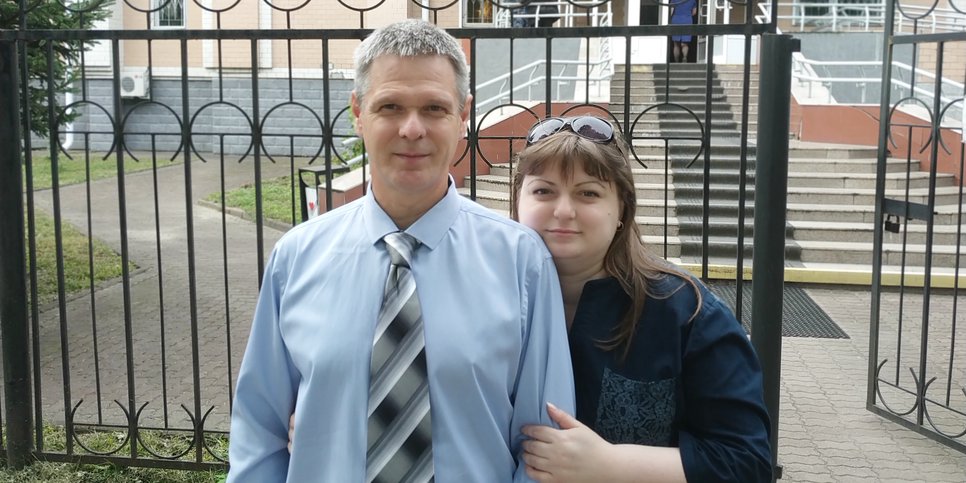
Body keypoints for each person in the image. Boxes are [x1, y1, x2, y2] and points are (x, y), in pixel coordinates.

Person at [227, 20, 575, 482]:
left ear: (463, 114)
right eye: (390, 106)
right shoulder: (296, 257)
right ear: (357, 111)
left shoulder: (521, 262)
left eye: (434, 108)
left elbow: (544, 448)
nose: (413, 129)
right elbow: (259, 433)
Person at [511, 116, 772, 481]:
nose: (564, 210)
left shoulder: (689, 314)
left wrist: (610, 465)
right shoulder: (487, 299)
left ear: (622, 209)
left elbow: (747, 462)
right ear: (518, 201)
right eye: (544, 191)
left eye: (588, 193)